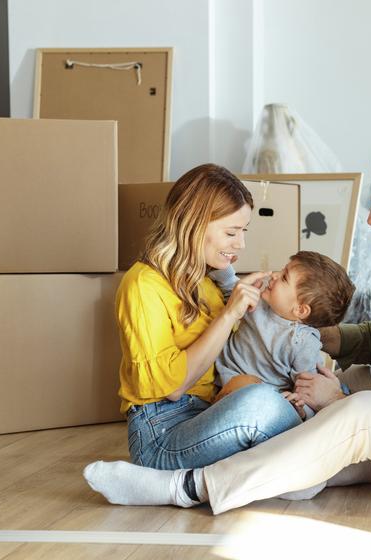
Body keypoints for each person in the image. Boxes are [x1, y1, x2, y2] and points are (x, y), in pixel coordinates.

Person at [84, 147, 371, 513]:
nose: (370, 218)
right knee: (361, 382)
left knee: (360, 407)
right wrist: (293, 326)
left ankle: (187, 487)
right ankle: (301, 469)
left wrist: (335, 401)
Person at [115, 163, 303, 473]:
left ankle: (300, 461)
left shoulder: (207, 282)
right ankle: (310, 459)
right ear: (193, 224)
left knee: (267, 393)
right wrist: (229, 314)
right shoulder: (141, 285)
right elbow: (172, 389)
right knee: (261, 403)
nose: (240, 244)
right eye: (231, 232)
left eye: (243, 232)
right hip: (160, 434)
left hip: (206, 413)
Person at [210, 251, 356, 421]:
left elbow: (309, 391)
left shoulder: (303, 343)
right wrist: (222, 259)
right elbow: (231, 289)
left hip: (252, 397)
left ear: (300, 309)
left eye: (284, 277)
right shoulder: (260, 300)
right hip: (218, 377)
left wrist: (301, 409)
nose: (274, 275)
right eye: (282, 270)